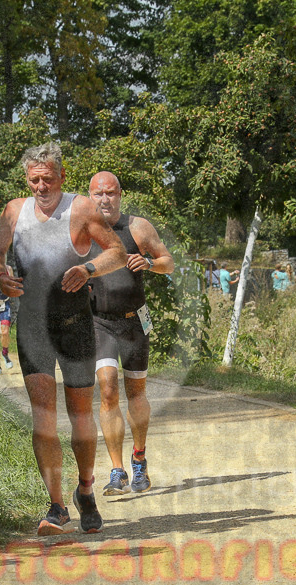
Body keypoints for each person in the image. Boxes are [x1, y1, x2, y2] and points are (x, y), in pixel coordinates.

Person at [0, 142, 126, 536]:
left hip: (76, 322)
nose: (41, 186)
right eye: (34, 180)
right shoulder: (14, 211)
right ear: (27, 180)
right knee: (43, 417)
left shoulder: (81, 208)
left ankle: (85, 491)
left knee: (80, 414)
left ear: (62, 177)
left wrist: (89, 269)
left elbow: (115, 250)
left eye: (48, 178)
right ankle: (57, 506)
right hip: (32, 324)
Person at [87, 171, 174, 496]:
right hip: (100, 322)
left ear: (120, 195)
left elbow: (169, 262)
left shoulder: (138, 227)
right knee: (108, 390)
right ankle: (116, 470)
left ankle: (139, 458)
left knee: (136, 394)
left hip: (135, 321)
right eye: (98, 194)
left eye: (111, 193)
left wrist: (150, 264)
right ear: (90, 196)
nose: (105, 199)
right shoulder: (82, 232)